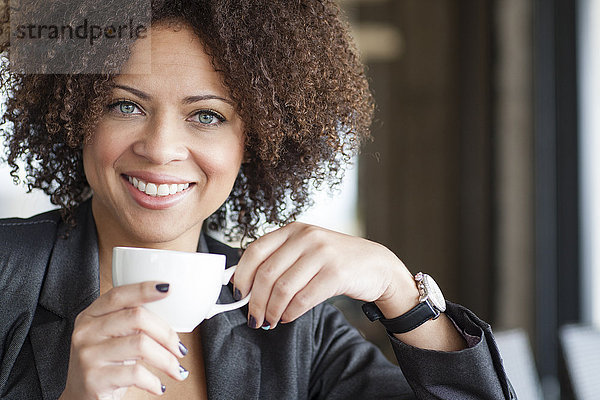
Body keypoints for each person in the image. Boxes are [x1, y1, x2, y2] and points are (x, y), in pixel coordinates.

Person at [0, 0, 515, 399]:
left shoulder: (291, 329)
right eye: (124, 105)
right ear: (77, 115)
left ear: (257, 141)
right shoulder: (7, 278)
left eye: (207, 115)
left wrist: (398, 289)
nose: (159, 149)